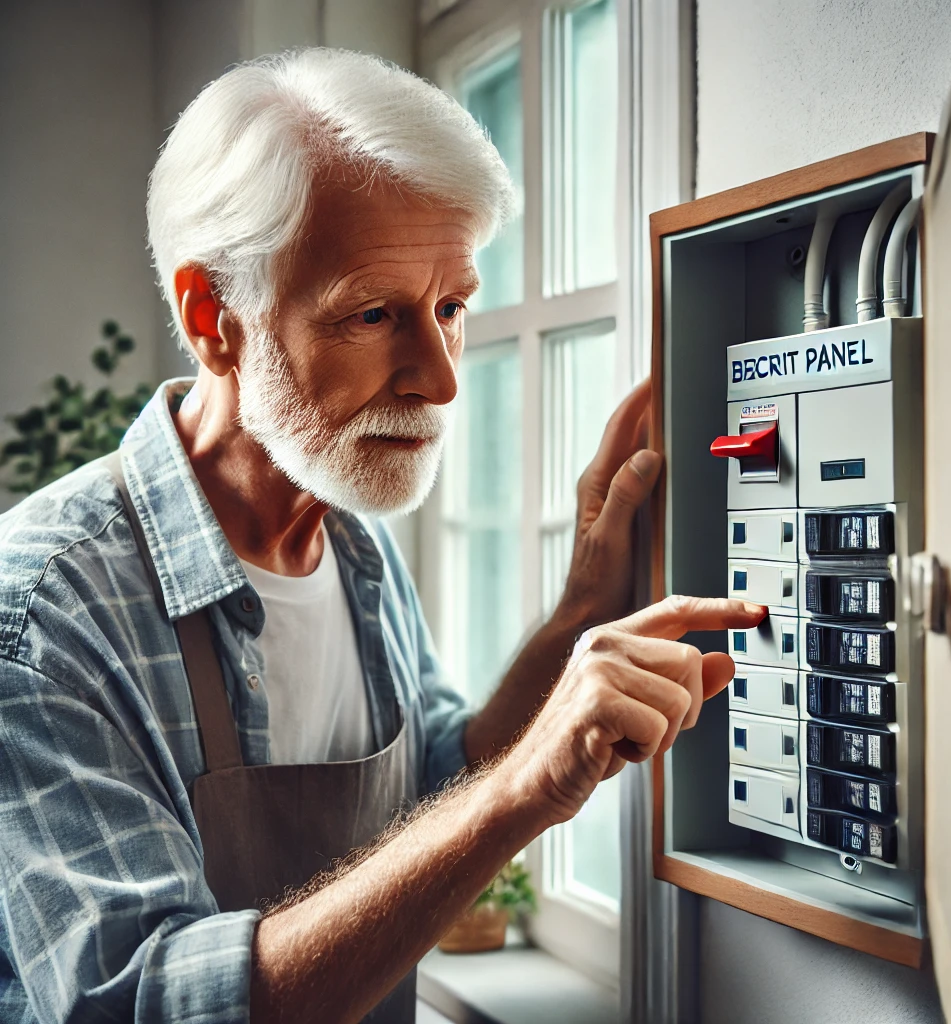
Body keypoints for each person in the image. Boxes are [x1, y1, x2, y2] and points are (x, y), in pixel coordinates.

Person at [0, 49, 764, 1023]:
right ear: (213, 318)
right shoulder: (39, 619)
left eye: (450, 308)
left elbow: (433, 788)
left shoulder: (351, 540)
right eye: (373, 314)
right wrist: (522, 788)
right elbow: (141, 1002)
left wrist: (584, 606)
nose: (440, 379)